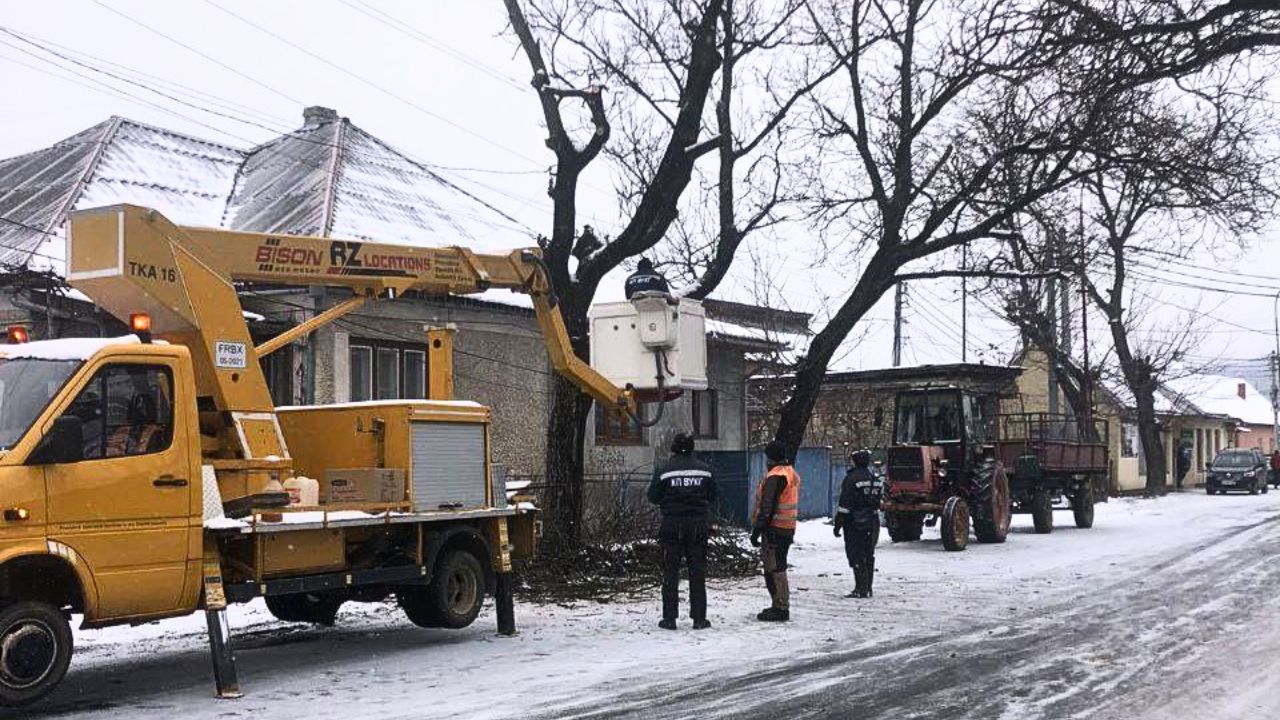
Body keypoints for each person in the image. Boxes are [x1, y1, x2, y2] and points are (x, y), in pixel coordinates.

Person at [647, 432, 717, 630]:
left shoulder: (664, 470)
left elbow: (653, 496)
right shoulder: (706, 470)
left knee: (670, 572)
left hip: (672, 525)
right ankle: (699, 618)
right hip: (697, 526)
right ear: (693, 448)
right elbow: (713, 495)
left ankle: (669, 618)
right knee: (697, 571)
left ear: (673, 448)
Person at [751, 440, 801, 622]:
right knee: (779, 564)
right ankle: (779, 604)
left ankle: (780, 607)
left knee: (774, 568)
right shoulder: (790, 473)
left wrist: (758, 529)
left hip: (774, 528)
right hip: (787, 527)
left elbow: (767, 506)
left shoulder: (775, 476)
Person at [834, 449, 882, 598]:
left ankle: (860, 588)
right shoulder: (875, 479)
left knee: (856, 554)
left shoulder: (851, 478)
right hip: (872, 521)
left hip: (855, 522)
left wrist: (838, 524)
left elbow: (845, 504)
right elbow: (877, 501)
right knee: (869, 554)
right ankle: (868, 587)